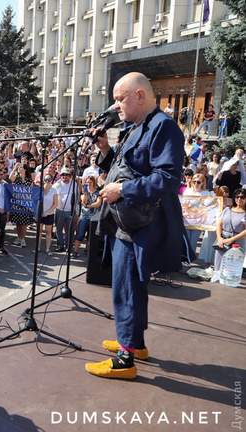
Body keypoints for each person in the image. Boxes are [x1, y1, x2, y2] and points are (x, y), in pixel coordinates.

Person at [86, 72, 189, 379]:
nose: (116, 106)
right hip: (126, 221)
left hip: (140, 225)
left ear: (140, 95)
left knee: (127, 287)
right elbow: (124, 165)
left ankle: (124, 361)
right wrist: (105, 149)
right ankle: (135, 344)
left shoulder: (164, 127)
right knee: (130, 287)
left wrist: (123, 190)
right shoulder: (134, 127)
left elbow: (168, 179)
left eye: (121, 98)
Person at [212, 189, 246, 282]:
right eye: (237, 197)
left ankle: (229, 281)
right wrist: (219, 238)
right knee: (219, 264)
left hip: (238, 242)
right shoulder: (227, 209)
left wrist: (232, 239)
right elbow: (219, 223)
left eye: (242, 197)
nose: (239, 199)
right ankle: (218, 276)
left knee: (232, 265)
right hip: (223, 240)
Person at [73, 176, 102, 257]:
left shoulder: (98, 193)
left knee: (90, 236)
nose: (88, 184)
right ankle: (75, 251)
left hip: (93, 217)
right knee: (80, 234)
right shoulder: (84, 193)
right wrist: (85, 192)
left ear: (94, 183)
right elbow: (84, 202)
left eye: (90, 182)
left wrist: (89, 206)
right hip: (84, 216)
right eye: (87, 182)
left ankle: (87, 250)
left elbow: (98, 204)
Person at [53, 167, 77, 252]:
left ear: (70, 176)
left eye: (67, 175)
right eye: (62, 175)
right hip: (59, 210)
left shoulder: (74, 184)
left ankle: (68, 246)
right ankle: (60, 245)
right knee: (59, 229)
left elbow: (77, 197)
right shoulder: (56, 184)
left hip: (70, 211)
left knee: (69, 230)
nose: (64, 176)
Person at [9, 163, 33, 247]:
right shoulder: (17, 178)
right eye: (19, 167)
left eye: (21, 167)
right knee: (18, 223)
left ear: (25, 169)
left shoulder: (29, 180)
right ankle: (19, 238)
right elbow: (10, 178)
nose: (19, 169)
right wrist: (14, 168)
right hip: (17, 204)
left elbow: (31, 192)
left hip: (25, 204)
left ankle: (23, 239)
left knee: (24, 224)